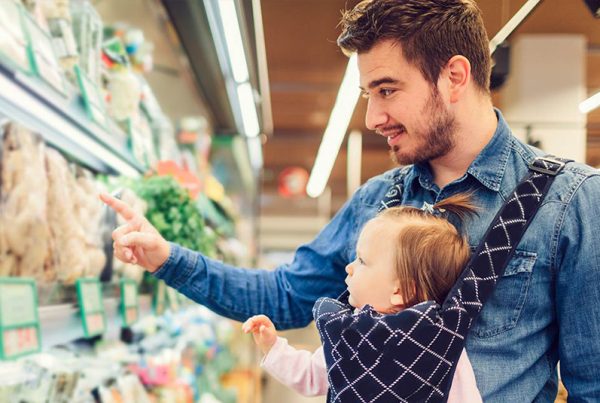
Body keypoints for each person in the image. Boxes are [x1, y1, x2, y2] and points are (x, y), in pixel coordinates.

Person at [101, 0, 600, 400]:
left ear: (454, 76)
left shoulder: (569, 201)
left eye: (387, 90)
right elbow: (282, 296)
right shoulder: (377, 200)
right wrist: (167, 258)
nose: (373, 117)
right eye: (367, 95)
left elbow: (591, 383)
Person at [241, 195, 482, 401]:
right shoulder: (350, 331)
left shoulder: (437, 342)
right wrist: (273, 347)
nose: (349, 267)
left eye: (362, 261)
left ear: (399, 291)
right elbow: (313, 375)